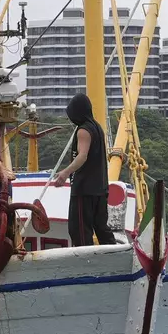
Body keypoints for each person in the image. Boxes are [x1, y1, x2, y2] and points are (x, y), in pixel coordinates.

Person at [54, 93, 117, 247]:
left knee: (79, 230)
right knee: (102, 228)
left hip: (84, 189)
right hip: (100, 188)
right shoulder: (97, 128)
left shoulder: (83, 130)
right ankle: (115, 257)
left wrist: (65, 172)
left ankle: (84, 264)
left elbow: (82, 156)